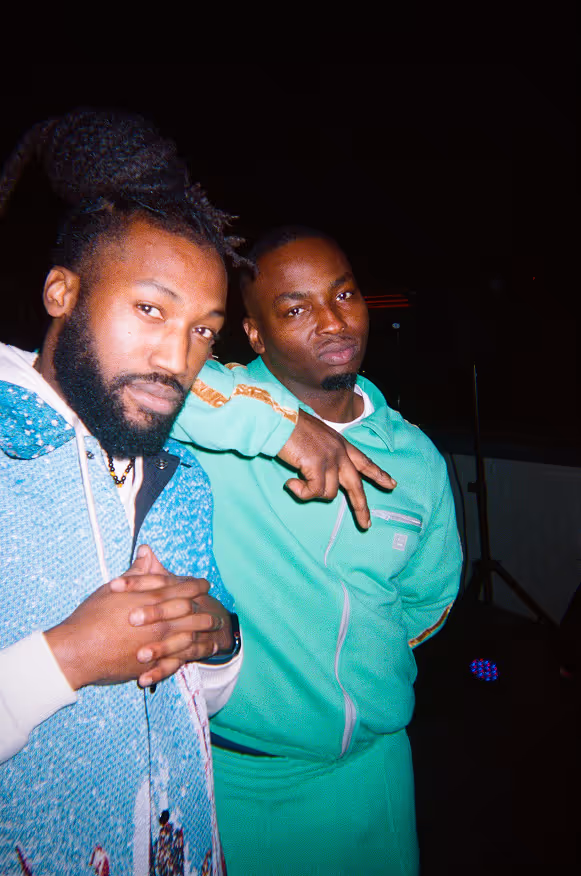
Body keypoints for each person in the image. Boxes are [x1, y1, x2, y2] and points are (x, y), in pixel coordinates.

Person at [0, 114, 393, 876]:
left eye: (204, 331)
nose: (176, 359)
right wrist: (69, 657)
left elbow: (204, 699)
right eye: (150, 309)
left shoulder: (185, 481)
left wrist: (218, 641)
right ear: (61, 292)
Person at [178, 228, 463, 875]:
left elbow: (427, 599)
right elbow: (143, 374)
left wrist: (362, 666)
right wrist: (285, 426)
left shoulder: (414, 456)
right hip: (240, 775)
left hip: (375, 768)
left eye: (344, 294)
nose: (333, 322)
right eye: (295, 308)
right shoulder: (216, 414)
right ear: (255, 334)